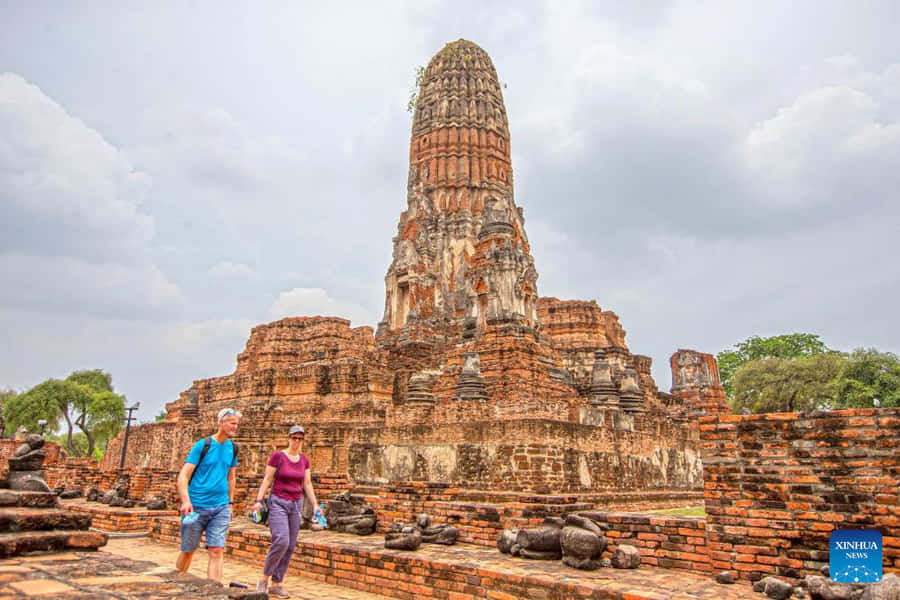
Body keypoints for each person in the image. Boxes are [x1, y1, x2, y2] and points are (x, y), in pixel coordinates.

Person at [175, 407, 241, 583]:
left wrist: (230, 503)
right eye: (232, 423)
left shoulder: (233, 448)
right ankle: (177, 583)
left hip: (221, 507)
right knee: (188, 550)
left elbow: (231, 477)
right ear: (221, 423)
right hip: (196, 507)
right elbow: (184, 475)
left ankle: (215, 591)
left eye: (237, 424)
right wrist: (186, 501)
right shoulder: (203, 445)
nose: (235, 427)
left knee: (217, 550)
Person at [253, 425, 318, 598]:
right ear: (288, 438)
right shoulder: (278, 456)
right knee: (281, 540)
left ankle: (277, 583)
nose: (297, 441)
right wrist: (258, 500)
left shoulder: (304, 460)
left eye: (300, 438)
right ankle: (264, 579)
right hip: (278, 502)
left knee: (290, 545)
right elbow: (268, 479)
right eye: (294, 438)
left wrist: (315, 505)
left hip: (295, 504)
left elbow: (307, 484)